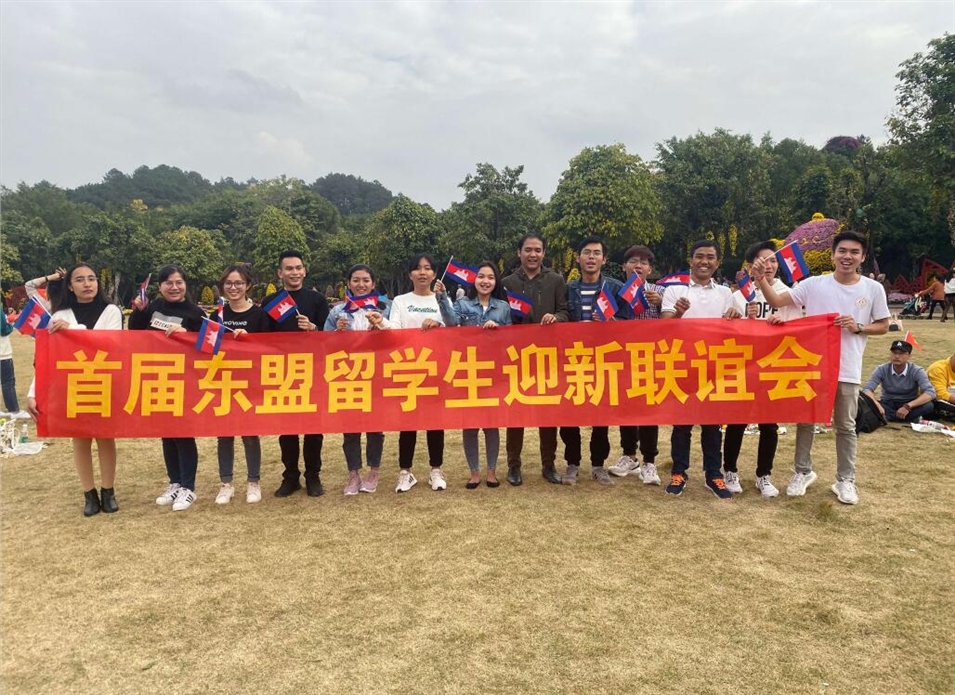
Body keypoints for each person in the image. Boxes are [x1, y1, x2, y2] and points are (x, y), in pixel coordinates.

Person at [752, 230, 890, 505]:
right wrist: (760, 279)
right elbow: (777, 301)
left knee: (846, 425)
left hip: (848, 366)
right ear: (833, 255)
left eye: (854, 252)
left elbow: (884, 325)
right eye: (842, 251)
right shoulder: (813, 284)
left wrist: (858, 327)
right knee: (806, 421)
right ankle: (802, 471)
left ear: (862, 257)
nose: (847, 257)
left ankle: (845, 480)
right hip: (812, 366)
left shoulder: (872, 288)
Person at [26, 264, 124, 516]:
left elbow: (108, 342)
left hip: (103, 383)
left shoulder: (111, 311)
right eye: (80, 279)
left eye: (92, 278)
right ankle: (89, 494)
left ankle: (108, 491)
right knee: (80, 439)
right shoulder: (60, 314)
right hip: (72, 385)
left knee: (105, 437)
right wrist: (33, 392)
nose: (87, 284)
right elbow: (47, 357)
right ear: (70, 286)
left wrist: (72, 331)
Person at [661, 239, 741, 499]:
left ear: (717, 262)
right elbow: (663, 328)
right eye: (699, 256)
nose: (704, 261)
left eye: (710, 257)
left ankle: (713, 474)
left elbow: (734, 329)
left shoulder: (726, 294)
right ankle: (679, 472)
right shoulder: (675, 291)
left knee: (712, 425)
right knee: (682, 424)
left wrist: (735, 317)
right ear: (690, 260)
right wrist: (678, 313)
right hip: (683, 364)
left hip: (714, 365)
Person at [722, 241, 803, 498]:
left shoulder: (788, 294)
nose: (768, 265)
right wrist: (736, 319)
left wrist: (783, 324)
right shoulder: (739, 295)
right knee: (737, 421)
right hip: (744, 365)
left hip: (773, 366)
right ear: (750, 265)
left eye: (773, 260)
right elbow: (726, 333)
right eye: (762, 260)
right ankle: (729, 470)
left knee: (769, 423)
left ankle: (763, 475)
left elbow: (799, 330)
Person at [129, 264, 206, 511]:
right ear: (160, 286)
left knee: (183, 434)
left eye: (179, 282)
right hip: (157, 377)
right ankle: (174, 482)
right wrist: (139, 312)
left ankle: (188, 488)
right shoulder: (153, 307)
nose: (174, 287)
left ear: (185, 285)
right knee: (167, 433)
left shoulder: (196, 313)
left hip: (184, 380)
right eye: (168, 283)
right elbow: (135, 334)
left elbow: (206, 345)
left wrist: (187, 334)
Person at [561, 237, 632, 487]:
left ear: (604, 259)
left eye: (596, 253)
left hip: (604, 359)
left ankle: (598, 465)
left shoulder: (614, 288)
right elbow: (561, 316)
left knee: (601, 416)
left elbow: (629, 324)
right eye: (586, 253)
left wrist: (610, 322)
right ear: (578, 258)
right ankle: (572, 463)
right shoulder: (567, 288)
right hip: (573, 360)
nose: (591, 257)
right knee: (569, 415)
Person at [436, 261, 512, 489]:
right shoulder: (463, 304)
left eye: (490, 277)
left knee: (491, 424)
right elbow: (451, 323)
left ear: (496, 282)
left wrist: (498, 330)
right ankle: (474, 472)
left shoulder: (503, 307)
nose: (485, 281)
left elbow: (511, 338)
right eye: (481, 276)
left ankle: (491, 471)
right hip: (468, 371)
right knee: (470, 424)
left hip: (493, 373)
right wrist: (441, 297)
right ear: (474, 279)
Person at [501, 234, 569, 486]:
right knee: (515, 413)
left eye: (537, 250)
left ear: (543, 253)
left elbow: (565, 311)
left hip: (547, 357)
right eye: (528, 250)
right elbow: (501, 316)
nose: (533, 254)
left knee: (548, 413)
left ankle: (548, 464)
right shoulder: (507, 283)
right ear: (519, 252)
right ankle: (513, 465)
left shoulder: (556, 280)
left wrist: (556, 317)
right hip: (516, 357)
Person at [263, 250, 330, 498]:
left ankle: (313, 476)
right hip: (283, 372)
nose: (294, 272)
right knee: (287, 428)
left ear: (304, 270)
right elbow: (263, 338)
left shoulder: (317, 300)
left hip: (313, 371)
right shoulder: (272, 301)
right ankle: (290, 477)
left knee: (313, 427)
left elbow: (331, 335)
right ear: (280, 273)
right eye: (289, 268)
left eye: (298, 268)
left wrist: (313, 328)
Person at [324, 263, 393, 495]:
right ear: (348, 283)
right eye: (356, 280)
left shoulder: (385, 308)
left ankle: (374, 472)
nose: (361, 284)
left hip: (376, 376)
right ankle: (353, 474)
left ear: (373, 283)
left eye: (365, 280)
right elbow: (323, 344)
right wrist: (337, 333)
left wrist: (380, 326)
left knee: (375, 427)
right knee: (350, 428)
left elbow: (396, 337)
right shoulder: (338, 312)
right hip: (349, 376)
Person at [388, 253, 449, 493]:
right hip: (408, 367)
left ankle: (436, 470)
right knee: (408, 422)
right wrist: (380, 323)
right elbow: (394, 329)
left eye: (428, 268)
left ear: (434, 274)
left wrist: (439, 324)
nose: (422, 272)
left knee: (435, 422)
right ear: (410, 274)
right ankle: (405, 472)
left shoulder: (442, 299)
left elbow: (454, 326)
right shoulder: (400, 301)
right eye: (417, 268)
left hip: (435, 368)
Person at [212, 264, 271, 505]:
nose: (233, 287)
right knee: (224, 435)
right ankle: (226, 484)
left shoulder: (259, 316)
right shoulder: (218, 315)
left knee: (250, 434)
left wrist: (250, 342)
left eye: (238, 283)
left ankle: (253, 482)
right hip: (223, 381)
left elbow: (271, 349)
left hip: (250, 383)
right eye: (228, 283)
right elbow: (206, 347)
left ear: (248, 286)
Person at [608, 245, 665, 484]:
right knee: (627, 409)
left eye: (643, 262)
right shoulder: (616, 292)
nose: (638, 265)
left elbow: (673, 321)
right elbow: (610, 322)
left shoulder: (660, 291)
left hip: (650, 358)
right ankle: (629, 456)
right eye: (633, 261)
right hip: (623, 358)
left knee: (649, 411)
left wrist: (661, 303)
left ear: (650, 269)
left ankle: (649, 462)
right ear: (624, 267)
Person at [862, 340, 936, 423]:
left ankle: (888, 417)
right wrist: (877, 405)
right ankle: (907, 418)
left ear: (909, 356)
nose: (897, 356)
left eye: (901, 353)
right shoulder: (881, 369)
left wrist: (908, 406)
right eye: (894, 353)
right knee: (865, 403)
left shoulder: (917, 371)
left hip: (909, 404)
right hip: (887, 403)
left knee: (929, 406)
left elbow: (930, 393)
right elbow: (867, 389)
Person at [1, 311, 29, 418]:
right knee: (8, 382)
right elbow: (4, 330)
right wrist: (11, 324)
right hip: (2, 353)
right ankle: (13, 410)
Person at [926, 352, 955, 421]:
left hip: (951, 402)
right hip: (935, 401)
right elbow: (940, 395)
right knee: (939, 403)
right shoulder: (938, 368)